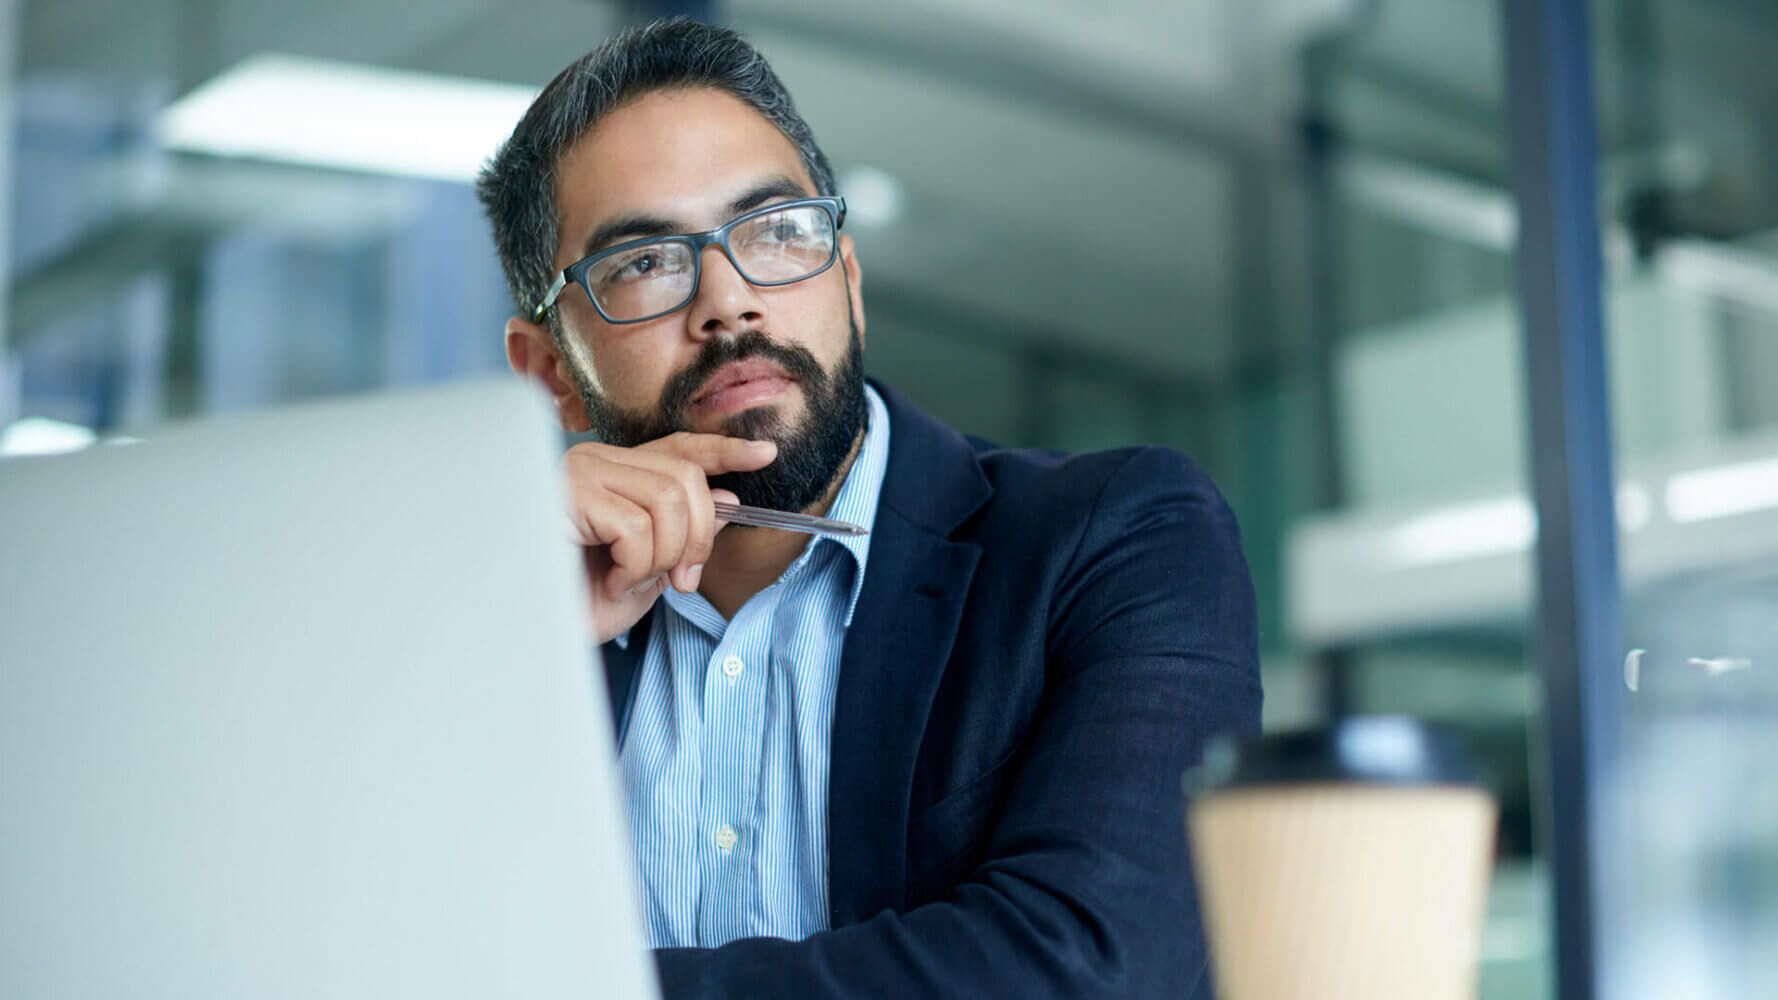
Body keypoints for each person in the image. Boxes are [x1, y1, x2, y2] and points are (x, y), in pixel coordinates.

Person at [476, 18, 1261, 998]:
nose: (728, 301)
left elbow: (1092, 969)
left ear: (846, 280)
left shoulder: (1118, 537)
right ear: (552, 373)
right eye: (644, 263)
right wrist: (504, 616)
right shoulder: (496, 624)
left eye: (775, 232)